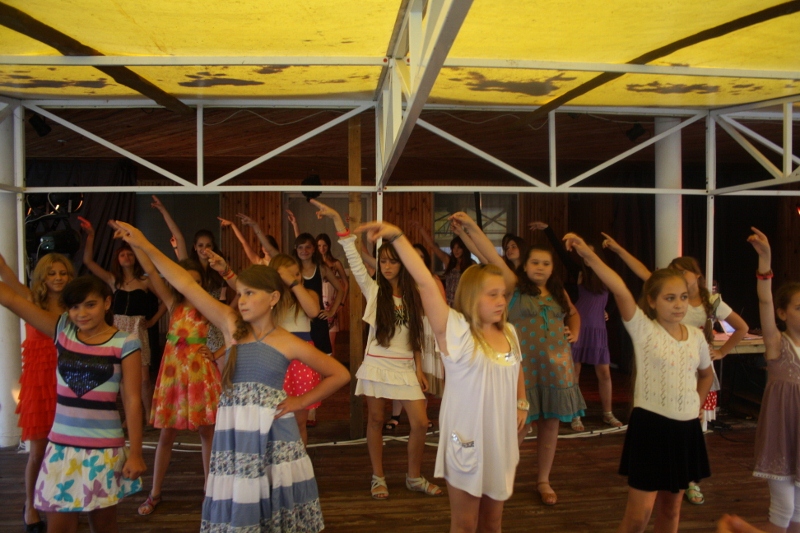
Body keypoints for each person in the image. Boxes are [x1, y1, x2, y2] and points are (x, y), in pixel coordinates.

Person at [109, 219, 349, 532]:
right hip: (237, 429)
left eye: (250, 293)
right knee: (243, 497)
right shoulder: (232, 325)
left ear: (273, 298)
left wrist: (300, 401)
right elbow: (185, 284)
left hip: (275, 432)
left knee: (274, 498)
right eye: (241, 293)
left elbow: (339, 374)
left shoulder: (287, 341)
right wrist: (144, 244)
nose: (243, 299)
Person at [354, 214, 525, 533]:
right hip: (467, 440)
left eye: (502, 294)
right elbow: (423, 281)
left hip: (500, 441)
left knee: (493, 524)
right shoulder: (454, 329)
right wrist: (397, 237)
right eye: (492, 294)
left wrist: (521, 403)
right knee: (465, 525)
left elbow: (516, 369)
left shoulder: (509, 332)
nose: (502, 301)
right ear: (472, 296)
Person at [563, 232, 713, 533]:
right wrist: (588, 255)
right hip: (651, 429)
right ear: (652, 302)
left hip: (685, 430)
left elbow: (706, 374)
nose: (679, 304)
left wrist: (696, 403)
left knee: (671, 511)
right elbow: (619, 288)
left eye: (683, 297)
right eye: (670, 298)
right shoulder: (644, 330)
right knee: (638, 517)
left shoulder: (696, 337)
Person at [602, 232, 749, 504]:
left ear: (697, 276)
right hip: (662, 365)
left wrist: (720, 352)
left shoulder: (709, 302)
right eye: (675, 272)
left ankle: (689, 480)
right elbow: (636, 277)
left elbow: (739, 329)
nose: (678, 301)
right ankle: (662, 477)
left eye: (684, 273)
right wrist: (617, 251)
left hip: (692, 369)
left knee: (693, 426)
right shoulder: (661, 303)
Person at [312, 199, 441, 500]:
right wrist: (337, 221)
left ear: (403, 264)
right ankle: (378, 477)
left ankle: (413, 476)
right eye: (383, 261)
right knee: (375, 420)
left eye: (393, 261)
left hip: (405, 366)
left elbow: (415, 336)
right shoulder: (374, 290)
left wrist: (419, 369)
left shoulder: (414, 294)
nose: (387, 266)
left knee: (420, 422)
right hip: (377, 364)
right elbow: (353, 258)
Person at [455, 214, 584, 506]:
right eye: (535, 262)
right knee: (517, 427)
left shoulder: (558, 291)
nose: (540, 267)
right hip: (523, 370)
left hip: (557, 368)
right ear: (524, 266)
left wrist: (574, 331)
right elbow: (490, 256)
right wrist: (471, 228)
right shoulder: (515, 286)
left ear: (552, 267)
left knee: (550, 425)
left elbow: (574, 314)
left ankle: (543, 480)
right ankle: (498, 475)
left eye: (546, 263)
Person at [0, 274, 145, 533]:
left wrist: (135, 453)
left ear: (107, 303)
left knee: (104, 526)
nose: (82, 313)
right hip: (61, 448)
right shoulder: (62, 331)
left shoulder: (125, 342)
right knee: (58, 527)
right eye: (75, 307)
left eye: (90, 304)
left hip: (104, 450)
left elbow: (133, 400)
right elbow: (11, 298)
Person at [133, 256, 221, 516]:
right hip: (173, 374)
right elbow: (152, 271)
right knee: (166, 434)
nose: (190, 286)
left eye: (196, 282)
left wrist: (217, 353)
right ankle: (155, 492)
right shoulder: (173, 303)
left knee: (207, 432)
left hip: (199, 373)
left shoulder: (209, 307)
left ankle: (209, 489)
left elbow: (237, 328)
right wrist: (139, 245)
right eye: (186, 281)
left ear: (203, 284)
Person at [0, 252, 74, 532]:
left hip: (67, 383)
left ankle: (64, 501)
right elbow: (6, 273)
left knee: (67, 451)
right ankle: (30, 505)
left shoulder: (75, 306)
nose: (58, 278)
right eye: (52, 273)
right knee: (38, 452)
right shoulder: (31, 299)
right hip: (39, 387)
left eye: (63, 273)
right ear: (42, 276)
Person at [529, 221, 622, 431]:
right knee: (575, 374)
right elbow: (562, 253)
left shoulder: (607, 274)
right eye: (584, 253)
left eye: (591, 253)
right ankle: (575, 414)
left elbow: (620, 295)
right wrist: (548, 230)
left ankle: (608, 413)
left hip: (598, 330)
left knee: (604, 373)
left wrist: (609, 311)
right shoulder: (579, 272)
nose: (587, 257)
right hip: (580, 328)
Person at [80, 217, 164, 424]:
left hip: (138, 328)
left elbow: (166, 300)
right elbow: (88, 262)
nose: (126, 257)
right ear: (117, 259)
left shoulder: (144, 281)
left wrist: (153, 320)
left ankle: (149, 415)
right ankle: (130, 416)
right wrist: (91, 236)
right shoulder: (113, 280)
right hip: (118, 329)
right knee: (124, 379)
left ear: (135, 257)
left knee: (144, 378)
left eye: (130, 254)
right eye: (122, 254)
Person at [748, 227, 800, 533]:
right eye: (799, 307)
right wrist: (765, 260)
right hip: (781, 434)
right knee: (783, 510)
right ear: (782, 313)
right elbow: (764, 302)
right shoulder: (777, 344)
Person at [268, 253, 324, 445]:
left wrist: (293, 283)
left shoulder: (309, 294)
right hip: (276, 359)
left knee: (299, 422)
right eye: (288, 275)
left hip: (302, 361)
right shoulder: (271, 300)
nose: (295, 278)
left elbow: (313, 311)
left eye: (297, 274)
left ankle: (299, 460)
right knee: (273, 420)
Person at [415, 220, 476, 307]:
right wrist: (421, 229)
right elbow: (433, 246)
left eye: (459, 248)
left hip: (463, 303)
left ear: (464, 249)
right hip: (448, 303)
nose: (456, 250)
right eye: (453, 248)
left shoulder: (471, 264)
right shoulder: (449, 261)